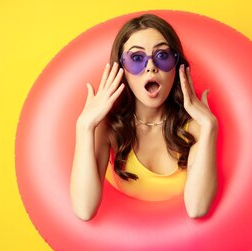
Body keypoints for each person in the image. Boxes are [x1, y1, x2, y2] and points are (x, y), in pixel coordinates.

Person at [69, 14, 218, 221]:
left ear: (176, 66)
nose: (150, 66)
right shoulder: (110, 129)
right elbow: (84, 210)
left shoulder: (194, 128)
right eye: (137, 58)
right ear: (122, 70)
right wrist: (84, 127)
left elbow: (197, 209)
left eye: (162, 56)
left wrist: (210, 126)